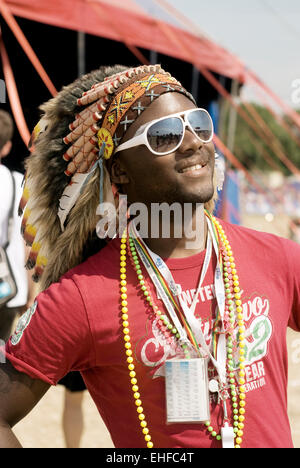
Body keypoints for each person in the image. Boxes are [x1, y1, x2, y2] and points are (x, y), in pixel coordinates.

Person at [0, 64, 299, 449]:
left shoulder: (278, 258)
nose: (193, 142)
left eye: (199, 124)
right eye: (165, 136)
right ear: (119, 170)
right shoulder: (82, 297)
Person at [0, 110, 36, 342]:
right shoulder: (17, 183)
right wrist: (33, 293)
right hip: (9, 291)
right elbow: (30, 241)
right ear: (6, 147)